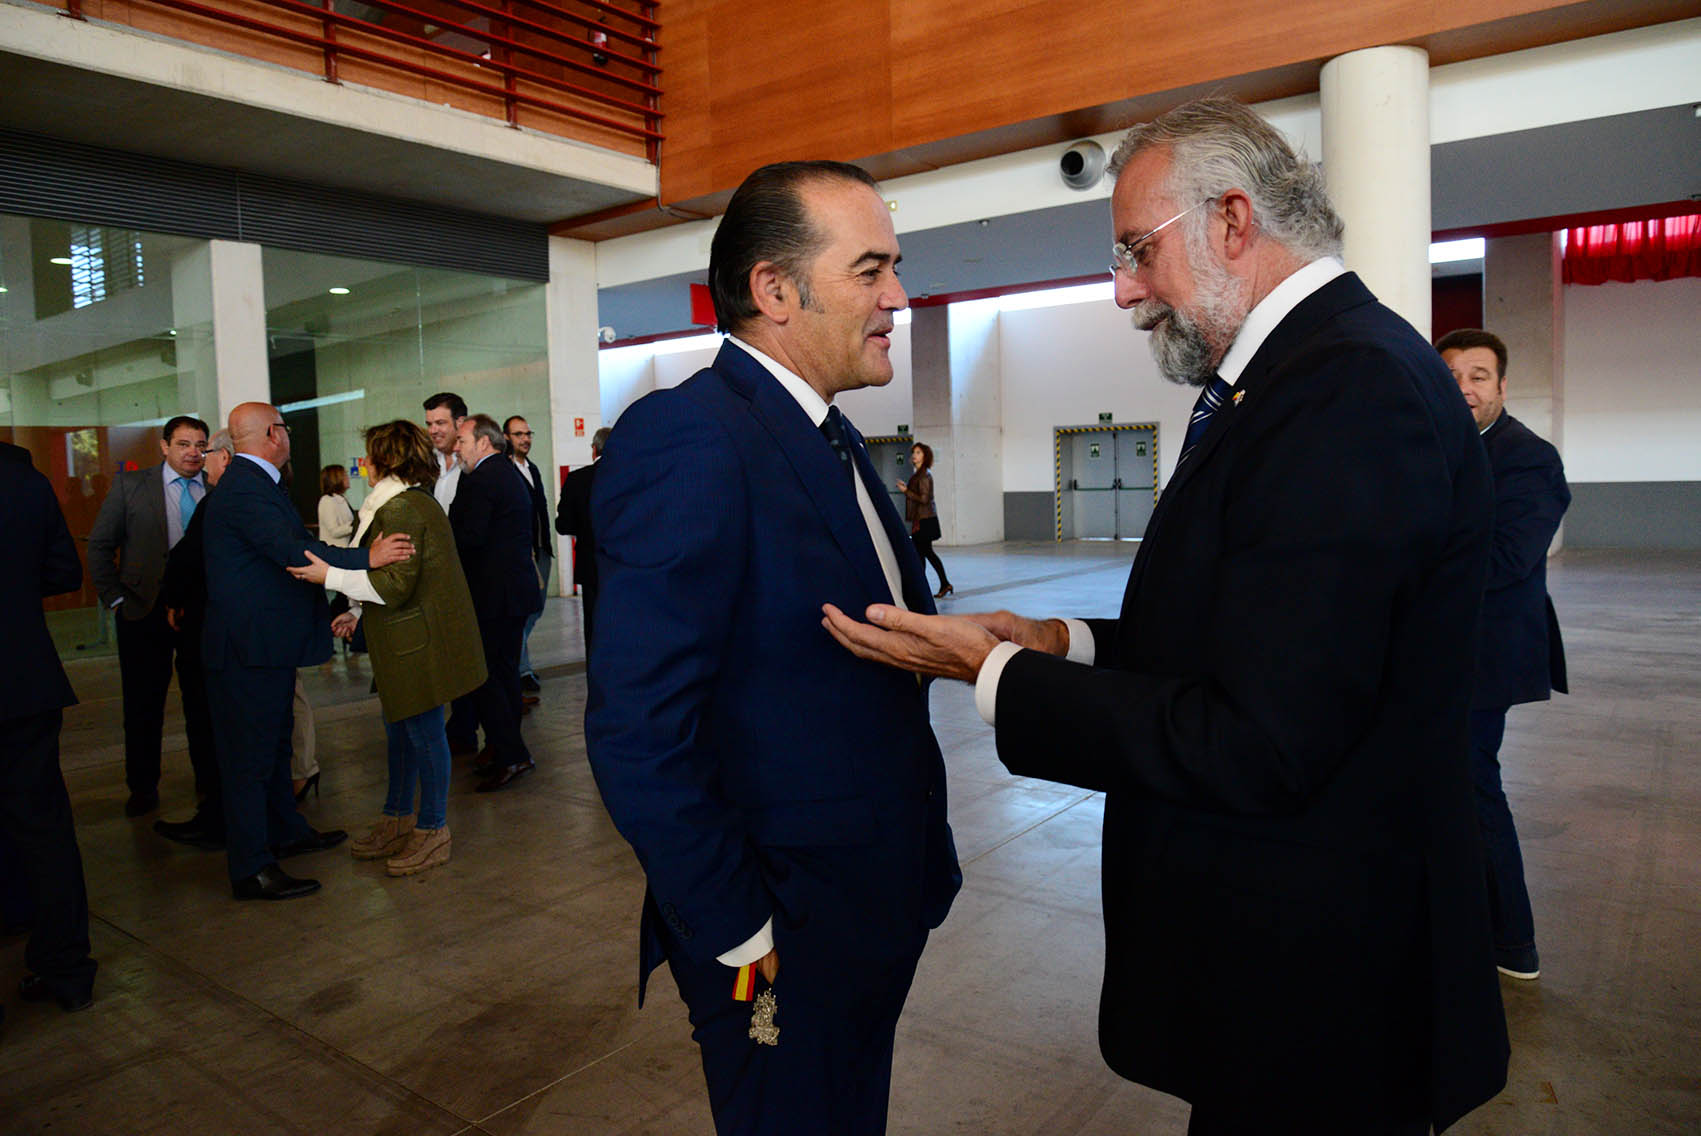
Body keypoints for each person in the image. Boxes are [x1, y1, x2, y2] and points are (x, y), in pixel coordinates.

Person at [822, 98, 1509, 1134]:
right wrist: (1065, 641)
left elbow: (1260, 738)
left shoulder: (1347, 391)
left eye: (1138, 251)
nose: (1125, 291)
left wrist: (995, 674)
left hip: (1328, 996)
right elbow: (1254, 633)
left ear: (1233, 220)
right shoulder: (1297, 377)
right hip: (1291, 970)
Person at [586, 160, 961, 1136]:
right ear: (775, 290)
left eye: (896, 268)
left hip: (871, 907)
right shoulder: (692, 438)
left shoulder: (829, 439)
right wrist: (738, 933)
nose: (897, 297)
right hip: (775, 936)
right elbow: (639, 730)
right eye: (871, 270)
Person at [200, 402, 412, 900]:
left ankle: (286, 833)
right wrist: (370, 557)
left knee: (275, 748)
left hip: (263, 645)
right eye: (285, 428)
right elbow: (297, 553)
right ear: (274, 434)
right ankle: (252, 866)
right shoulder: (248, 488)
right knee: (250, 761)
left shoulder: (256, 483)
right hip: (246, 649)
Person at [291, 421, 487, 877]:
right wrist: (357, 612)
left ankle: (433, 829)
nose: (365, 463)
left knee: (422, 736)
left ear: (384, 459)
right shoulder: (405, 503)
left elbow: (396, 584)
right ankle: (398, 819)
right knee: (402, 734)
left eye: (369, 455)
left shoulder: (401, 509)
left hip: (415, 645)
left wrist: (331, 579)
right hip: (403, 640)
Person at [1438, 327, 1571, 982]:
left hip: (1484, 656)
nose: (1462, 388)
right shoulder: (1430, 450)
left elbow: (1507, 559)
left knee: (1471, 783)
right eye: (1451, 375)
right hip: (1426, 654)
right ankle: (1447, 923)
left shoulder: (1528, 458)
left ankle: (1511, 942)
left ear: (1501, 385)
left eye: (1477, 375)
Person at [0, 441, 97, 1014]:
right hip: (25, 679)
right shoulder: (25, 481)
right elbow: (63, 569)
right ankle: (66, 969)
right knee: (44, 827)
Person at [86, 414, 217, 818]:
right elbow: (100, 546)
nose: (193, 452)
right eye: (183, 444)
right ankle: (142, 787)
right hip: (143, 613)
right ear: (164, 446)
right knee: (143, 707)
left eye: (200, 445)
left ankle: (209, 785)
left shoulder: (216, 492)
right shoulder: (130, 486)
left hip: (199, 614)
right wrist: (115, 601)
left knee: (204, 704)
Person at [450, 413, 542, 792]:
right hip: (512, 592)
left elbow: (468, 537)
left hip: (493, 596)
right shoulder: (505, 474)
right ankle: (509, 750)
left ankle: (510, 753)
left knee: (489, 678)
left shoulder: (482, 479)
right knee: (502, 676)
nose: (456, 448)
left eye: (461, 441)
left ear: (483, 443)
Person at [155, 429, 235, 849]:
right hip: (227, 631)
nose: (200, 459)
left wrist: (173, 598)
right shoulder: (258, 496)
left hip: (208, 633)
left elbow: (186, 559)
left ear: (222, 456)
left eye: (205, 451)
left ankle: (216, 819)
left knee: (208, 726)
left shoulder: (217, 503)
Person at [504, 415, 552, 698]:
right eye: (519, 434)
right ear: (506, 437)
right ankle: (521, 669)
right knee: (523, 613)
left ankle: (518, 664)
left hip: (540, 548)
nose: (525, 439)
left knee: (535, 610)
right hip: (522, 553)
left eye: (528, 433)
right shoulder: (506, 469)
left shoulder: (531, 468)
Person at [555, 426, 609, 658]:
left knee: (595, 632)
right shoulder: (633, 476)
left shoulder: (577, 480)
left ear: (594, 449)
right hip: (628, 568)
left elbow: (564, 525)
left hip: (591, 568)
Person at [897, 441, 951, 598]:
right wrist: (907, 489)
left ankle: (935, 586)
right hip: (920, 519)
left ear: (925, 456)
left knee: (925, 553)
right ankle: (929, 587)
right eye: (914, 452)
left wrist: (906, 490)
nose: (914, 455)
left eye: (918, 452)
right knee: (921, 555)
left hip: (925, 520)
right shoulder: (918, 474)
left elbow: (924, 499)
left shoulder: (925, 475)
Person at [316, 464, 355, 547]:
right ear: (336, 479)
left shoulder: (341, 499)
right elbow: (334, 531)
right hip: (335, 553)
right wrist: (355, 526)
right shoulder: (327, 500)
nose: (348, 478)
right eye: (345, 475)